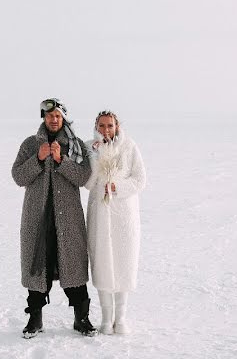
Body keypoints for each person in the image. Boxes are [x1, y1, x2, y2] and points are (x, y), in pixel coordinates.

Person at [12, 98, 97, 338]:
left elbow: (83, 178)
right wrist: (38, 159)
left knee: (74, 266)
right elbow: (18, 176)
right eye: (49, 116)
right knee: (38, 267)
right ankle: (34, 319)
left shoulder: (76, 145)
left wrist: (63, 160)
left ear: (63, 118)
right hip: (37, 219)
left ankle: (82, 318)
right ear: (43, 117)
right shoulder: (30, 144)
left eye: (58, 116)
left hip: (68, 219)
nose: (53, 119)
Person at [85, 110, 147, 334]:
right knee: (102, 262)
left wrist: (117, 188)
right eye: (101, 126)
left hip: (124, 213)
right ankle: (106, 317)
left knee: (123, 261)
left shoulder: (129, 147)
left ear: (117, 126)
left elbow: (140, 179)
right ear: (96, 126)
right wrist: (93, 157)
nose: (106, 130)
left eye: (110, 125)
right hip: (99, 211)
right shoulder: (89, 146)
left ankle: (120, 318)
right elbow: (88, 183)